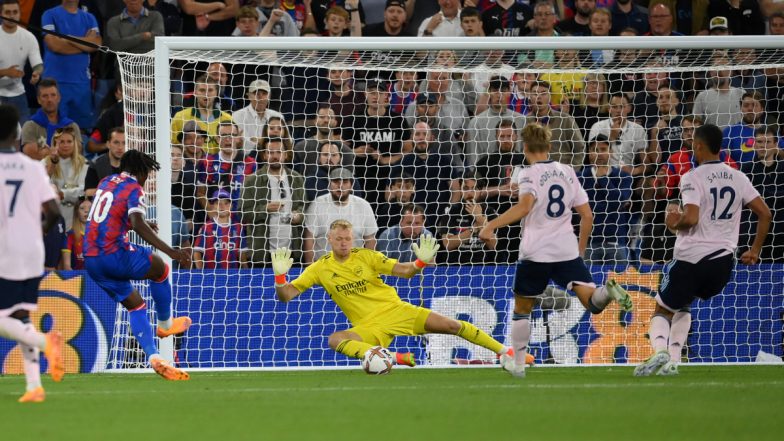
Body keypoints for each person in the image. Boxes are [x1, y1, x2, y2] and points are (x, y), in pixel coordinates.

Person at [479, 123, 633, 378]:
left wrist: (490, 225)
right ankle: (608, 290)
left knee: (522, 309)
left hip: (536, 252)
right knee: (593, 303)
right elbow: (587, 215)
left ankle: (518, 364)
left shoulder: (527, 174)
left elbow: (524, 207)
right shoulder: (568, 171)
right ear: (549, 147)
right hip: (566, 251)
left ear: (524, 147)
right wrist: (580, 250)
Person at [271, 219, 518, 371]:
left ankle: (504, 352)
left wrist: (420, 262)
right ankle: (388, 357)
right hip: (369, 326)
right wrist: (281, 279)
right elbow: (287, 296)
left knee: (452, 325)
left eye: (348, 238)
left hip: (397, 311)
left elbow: (405, 271)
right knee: (335, 340)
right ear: (330, 239)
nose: (344, 243)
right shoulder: (320, 267)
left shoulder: (367, 256)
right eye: (339, 239)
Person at [634, 124, 771, 377]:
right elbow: (765, 213)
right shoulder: (738, 176)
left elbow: (692, 218)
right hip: (722, 264)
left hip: (691, 258)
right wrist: (754, 250)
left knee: (662, 309)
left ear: (698, 145)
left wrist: (674, 220)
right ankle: (674, 360)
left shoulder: (692, 178)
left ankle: (659, 351)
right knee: (684, 304)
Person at [84, 150, 193, 380]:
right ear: (141, 171)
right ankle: (165, 324)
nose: (147, 179)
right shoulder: (134, 187)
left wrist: (136, 225)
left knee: (135, 304)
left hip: (91, 259)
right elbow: (136, 221)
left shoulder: (105, 182)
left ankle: (154, 357)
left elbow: (106, 217)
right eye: (148, 174)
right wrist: (171, 251)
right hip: (113, 254)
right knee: (160, 268)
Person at [0, 104, 65, 403]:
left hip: (5, 252)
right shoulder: (32, 167)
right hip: (32, 251)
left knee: (4, 320)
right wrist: (35, 232)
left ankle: (46, 342)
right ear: (16, 133)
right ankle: (34, 385)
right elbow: (54, 213)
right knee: (21, 315)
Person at [302, 167, 378, 263]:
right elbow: (309, 239)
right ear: (329, 184)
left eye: (345, 182)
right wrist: (310, 268)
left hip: (355, 267)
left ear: (351, 185)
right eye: (336, 181)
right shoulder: (317, 204)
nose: (340, 186)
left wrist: (369, 267)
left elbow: (370, 240)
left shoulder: (363, 206)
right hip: (323, 267)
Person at [0, 0, 43, 124]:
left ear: (20, 14)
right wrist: (5, 72)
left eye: (15, 12)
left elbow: (38, 64)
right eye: (7, 12)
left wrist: (37, 73)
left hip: (19, 95)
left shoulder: (28, 37)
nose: (12, 16)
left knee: (24, 137)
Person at [42, 126, 89, 230]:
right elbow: (41, 189)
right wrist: (53, 163)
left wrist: (63, 194)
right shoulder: (44, 163)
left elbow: (84, 191)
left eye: (69, 141)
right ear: (54, 144)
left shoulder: (85, 164)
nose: (65, 145)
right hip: (53, 221)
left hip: (78, 221)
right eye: (61, 142)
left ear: (75, 143)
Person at [193, 189, 249, 269]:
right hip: (211, 275)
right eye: (218, 203)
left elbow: (242, 254)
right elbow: (197, 251)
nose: (222, 206)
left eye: (226, 203)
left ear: (231, 206)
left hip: (232, 275)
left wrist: (246, 272)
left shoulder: (238, 227)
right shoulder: (207, 227)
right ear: (213, 206)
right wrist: (201, 273)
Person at [85, 127, 125, 197]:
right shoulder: (96, 164)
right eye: (116, 142)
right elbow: (88, 192)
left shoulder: (133, 166)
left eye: (124, 143)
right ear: (108, 144)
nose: (120, 147)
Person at [60, 197, 91, 270]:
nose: (86, 211)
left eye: (90, 208)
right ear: (76, 212)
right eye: (82, 208)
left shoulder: (100, 236)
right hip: (76, 278)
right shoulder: (70, 236)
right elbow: (66, 266)